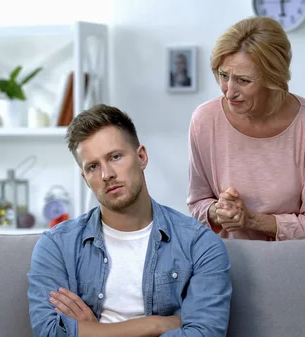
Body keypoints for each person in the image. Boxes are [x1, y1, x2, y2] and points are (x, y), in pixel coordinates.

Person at [27, 104, 232, 337]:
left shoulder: (199, 245)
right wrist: (154, 325)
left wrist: (95, 331)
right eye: (93, 167)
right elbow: (49, 332)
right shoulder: (56, 246)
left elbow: (204, 334)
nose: (107, 175)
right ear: (85, 178)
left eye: (115, 157)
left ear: (141, 157)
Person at [187, 16, 305, 241]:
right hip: (225, 265)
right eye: (223, 75)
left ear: (274, 79)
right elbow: (197, 204)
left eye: (243, 80)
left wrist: (250, 219)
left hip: (296, 265)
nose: (229, 92)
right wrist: (218, 211)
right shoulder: (204, 120)